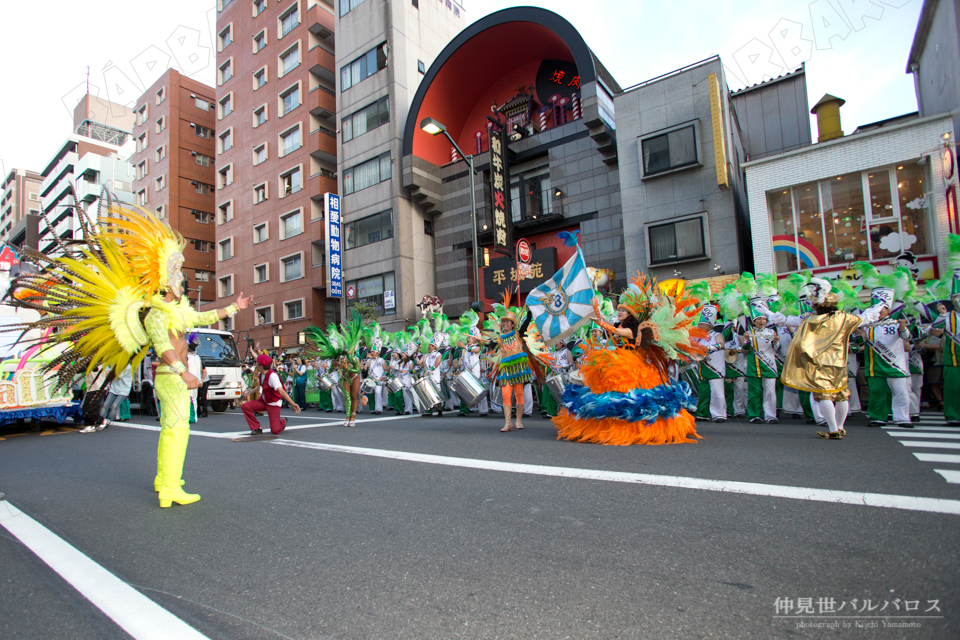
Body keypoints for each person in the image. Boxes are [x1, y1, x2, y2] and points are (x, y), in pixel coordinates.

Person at [550, 276, 707, 445]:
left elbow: (611, 329)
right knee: (609, 398)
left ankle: (635, 429)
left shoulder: (632, 330)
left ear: (630, 315)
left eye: (623, 311)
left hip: (631, 366)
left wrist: (600, 321)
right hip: (616, 364)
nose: (619, 313)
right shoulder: (620, 326)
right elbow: (609, 324)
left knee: (633, 400)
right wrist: (597, 313)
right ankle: (607, 426)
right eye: (618, 310)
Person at [780, 280, 885, 439]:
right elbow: (865, 318)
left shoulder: (811, 319)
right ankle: (840, 427)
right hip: (839, 362)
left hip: (819, 363)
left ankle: (833, 428)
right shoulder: (843, 318)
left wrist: (768, 314)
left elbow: (787, 320)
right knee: (841, 394)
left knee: (824, 395)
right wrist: (877, 308)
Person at [242, 354, 301, 434]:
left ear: (261, 366)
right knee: (245, 406)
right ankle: (256, 428)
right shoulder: (261, 374)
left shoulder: (272, 376)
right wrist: (251, 391)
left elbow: (281, 391)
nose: (256, 365)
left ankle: (283, 421)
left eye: (257, 363)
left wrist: (292, 403)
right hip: (264, 401)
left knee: (275, 430)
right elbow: (262, 385)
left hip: (273, 404)